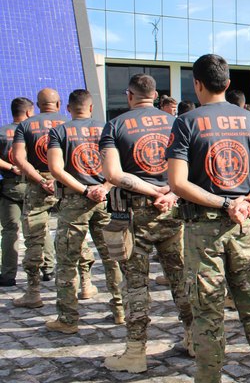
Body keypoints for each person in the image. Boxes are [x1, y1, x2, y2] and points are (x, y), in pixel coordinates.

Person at [167, 54, 250, 383]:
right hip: (243, 226)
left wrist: (223, 203)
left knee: (207, 313)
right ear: (228, 84)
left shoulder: (186, 122)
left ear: (197, 84)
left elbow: (177, 182)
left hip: (204, 231)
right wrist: (246, 202)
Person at [100, 74, 193, 373]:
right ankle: (193, 338)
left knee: (136, 284)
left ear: (129, 95)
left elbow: (113, 174)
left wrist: (150, 190)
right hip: (172, 209)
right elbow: (189, 170)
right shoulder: (176, 123)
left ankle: (136, 352)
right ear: (155, 95)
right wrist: (168, 192)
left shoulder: (115, 125)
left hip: (131, 214)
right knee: (180, 276)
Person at [45, 90, 124, 333]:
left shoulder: (59, 131)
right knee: (113, 257)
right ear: (91, 108)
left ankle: (68, 319)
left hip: (73, 202)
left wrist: (84, 190)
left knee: (67, 261)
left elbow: (56, 169)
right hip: (104, 200)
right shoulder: (107, 128)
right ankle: (120, 310)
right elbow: (118, 168)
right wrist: (104, 187)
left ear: (68, 108)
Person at [11, 88, 67, 307]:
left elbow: (19, 158)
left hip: (36, 186)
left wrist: (41, 180)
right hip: (65, 184)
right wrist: (57, 179)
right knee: (73, 235)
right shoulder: (68, 123)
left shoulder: (26, 125)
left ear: (36, 105)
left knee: (34, 239)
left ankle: (33, 292)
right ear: (60, 104)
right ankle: (85, 284)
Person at [0, 97, 34, 286]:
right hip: (34, 184)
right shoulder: (35, 132)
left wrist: (11, 168)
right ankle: (46, 268)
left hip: (10, 187)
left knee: (10, 230)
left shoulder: (2, 132)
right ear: (29, 112)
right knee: (38, 227)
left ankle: (8, 274)